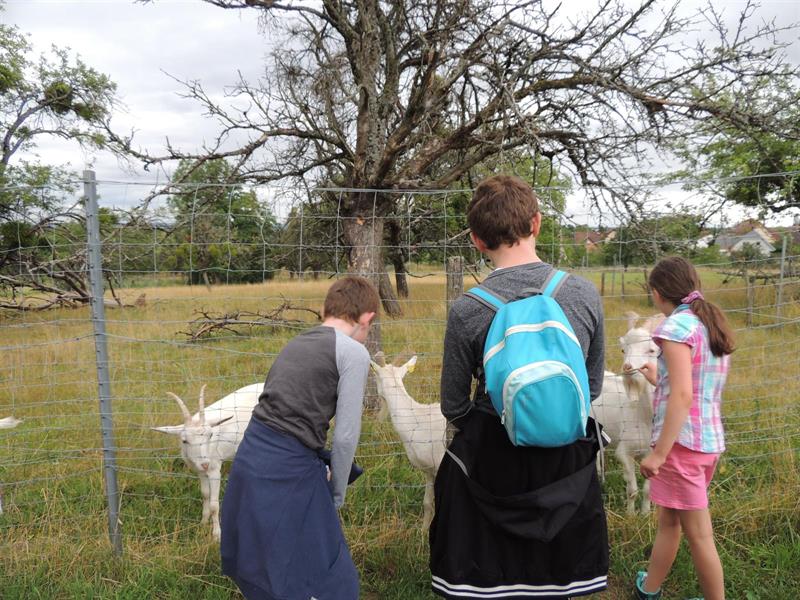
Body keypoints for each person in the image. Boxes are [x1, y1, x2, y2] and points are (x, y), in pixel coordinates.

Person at [430, 175, 609, 599]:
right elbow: (592, 387)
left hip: (494, 462)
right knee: (559, 579)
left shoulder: (468, 309)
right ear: (537, 223)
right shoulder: (583, 294)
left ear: (477, 240)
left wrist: (493, 424)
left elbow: (453, 404)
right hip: (566, 461)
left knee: (493, 581)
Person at [220, 275, 379, 600]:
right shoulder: (353, 353)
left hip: (250, 459)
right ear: (367, 319)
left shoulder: (298, 341)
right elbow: (346, 436)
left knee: (268, 563)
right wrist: (335, 495)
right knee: (328, 575)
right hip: (288, 467)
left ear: (326, 310)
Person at [633, 257, 734, 600]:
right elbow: (694, 384)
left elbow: (682, 395)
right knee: (670, 521)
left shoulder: (675, 328)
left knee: (699, 535)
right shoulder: (709, 325)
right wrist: (657, 377)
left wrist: (659, 454)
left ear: (657, 293)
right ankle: (650, 588)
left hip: (680, 447)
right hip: (706, 442)